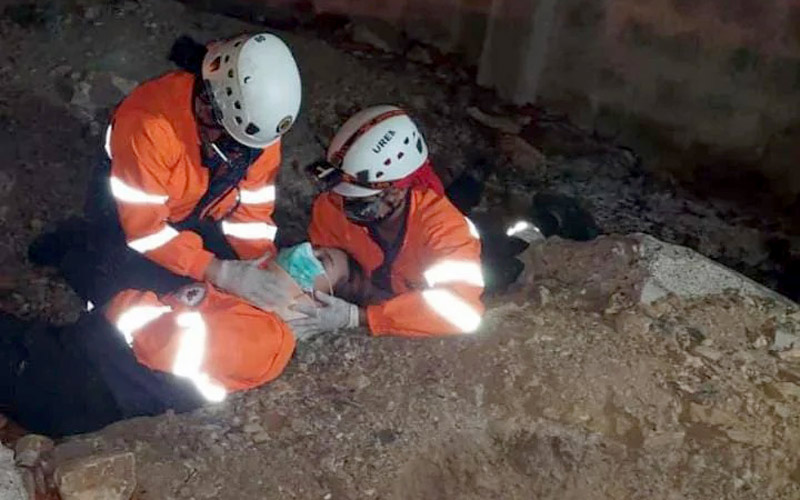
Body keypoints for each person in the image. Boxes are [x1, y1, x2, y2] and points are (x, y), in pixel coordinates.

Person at [0, 245, 350, 437]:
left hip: (74, 387)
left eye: (321, 260)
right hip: (76, 359)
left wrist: (130, 300)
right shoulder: (246, 303)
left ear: (316, 302)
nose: (306, 250)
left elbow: (160, 344)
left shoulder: (266, 339)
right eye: (315, 247)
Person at [70, 33, 302, 309]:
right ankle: (71, 250)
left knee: (209, 285)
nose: (234, 148)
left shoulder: (257, 132)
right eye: (226, 135)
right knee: (124, 296)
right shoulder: (149, 126)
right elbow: (146, 230)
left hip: (193, 209)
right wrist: (218, 271)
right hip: (127, 211)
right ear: (209, 104)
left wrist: (264, 265)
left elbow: (251, 215)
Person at [290, 105, 485, 338]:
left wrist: (362, 318)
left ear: (396, 191)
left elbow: (463, 311)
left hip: (476, 257)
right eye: (344, 193)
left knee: (504, 252)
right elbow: (319, 268)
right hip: (396, 284)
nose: (344, 202)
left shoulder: (445, 231)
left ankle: (480, 176)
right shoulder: (330, 207)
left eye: (358, 198)